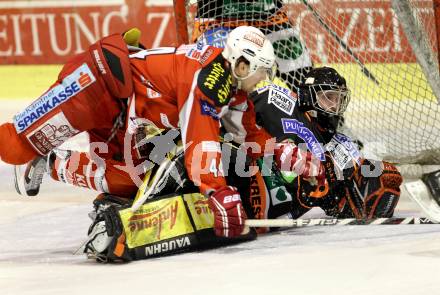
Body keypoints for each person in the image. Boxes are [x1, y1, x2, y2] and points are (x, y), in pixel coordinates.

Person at [0, 26, 276, 240]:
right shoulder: (209, 80)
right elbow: (200, 140)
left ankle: (50, 163)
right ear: (242, 65)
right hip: (95, 82)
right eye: (262, 71)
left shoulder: (233, 90)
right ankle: (29, 156)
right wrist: (217, 192)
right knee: (14, 146)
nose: (264, 79)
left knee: (133, 181)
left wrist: (289, 155)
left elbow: (248, 135)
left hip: (121, 113)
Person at [222, 67, 403, 226]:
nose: (335, 105)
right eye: (329, 97)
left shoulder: (339, 145)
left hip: (267, 213)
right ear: (309, 96)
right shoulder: (278, 99)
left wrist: (372, 189)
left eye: (339, 99)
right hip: (239, 175)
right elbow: (233, 118)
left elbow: (345, 203)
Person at [192, 0, 313, 89]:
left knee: (305, 80)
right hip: (217, 18)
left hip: (268, 16)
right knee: (213, 81)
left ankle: (312, 121)